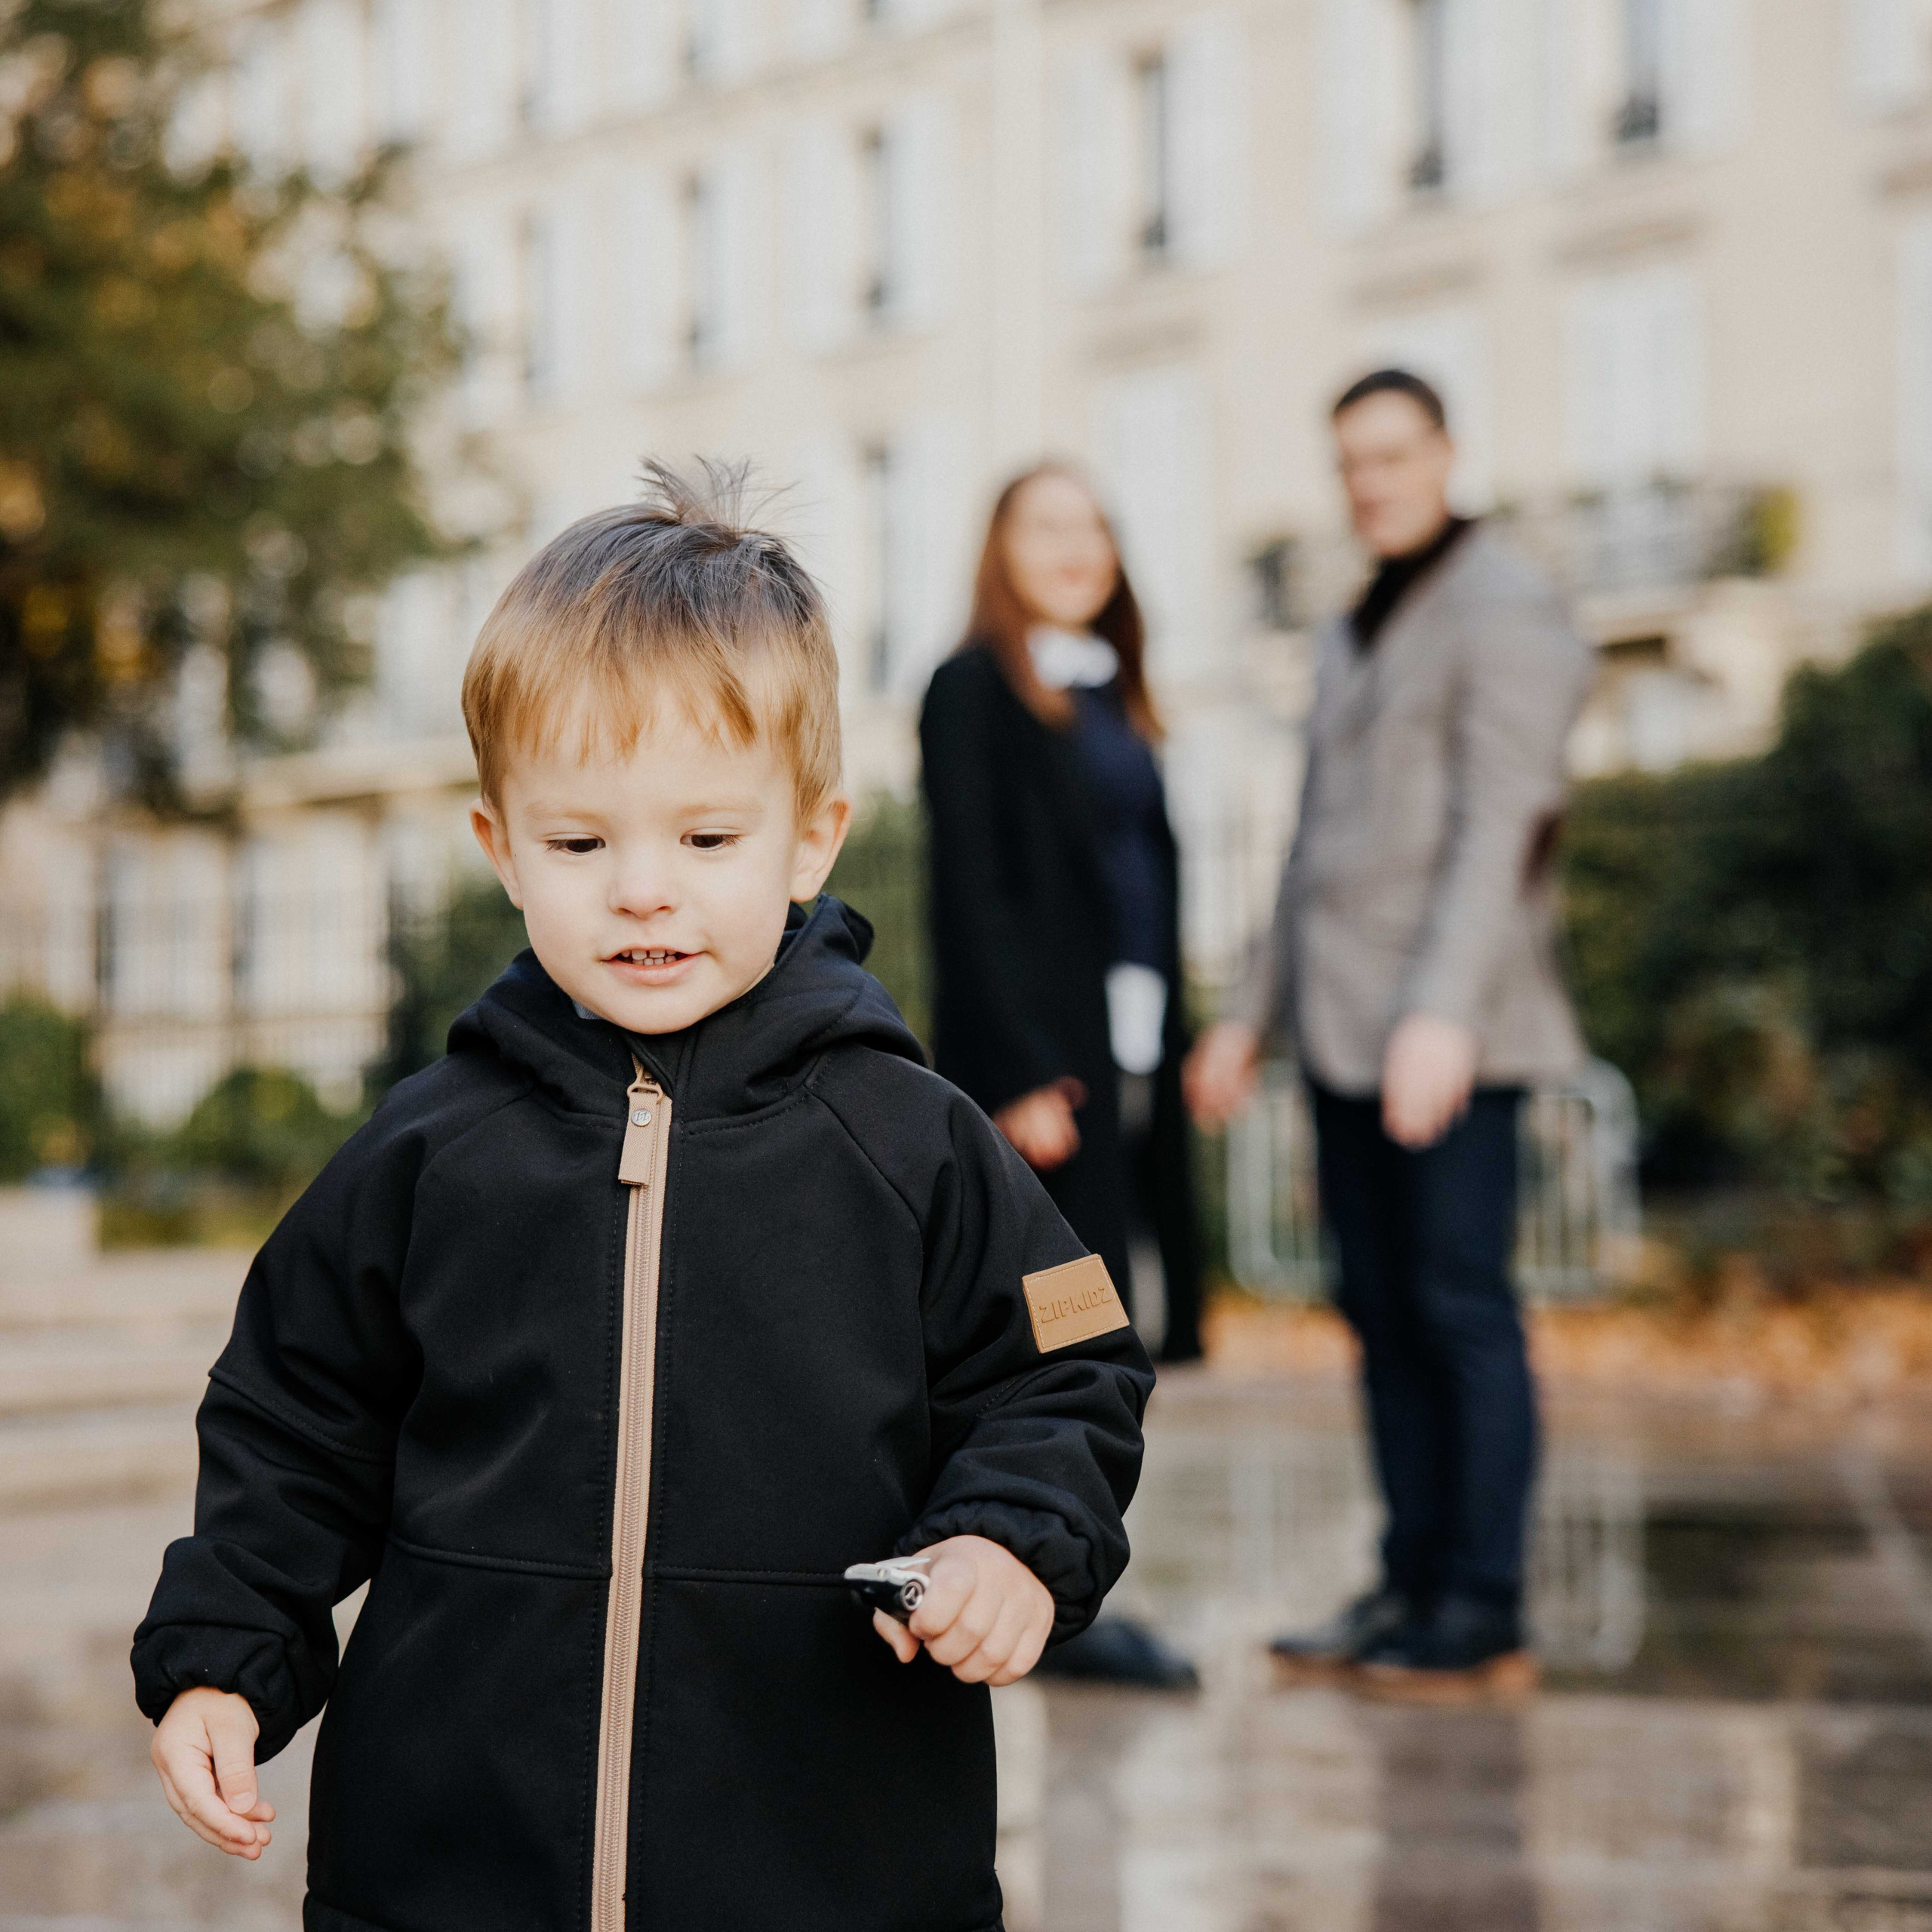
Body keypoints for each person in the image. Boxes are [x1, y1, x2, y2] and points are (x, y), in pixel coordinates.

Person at [131, 463, 1152, 1930]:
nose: (643, 889)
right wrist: (226, 1651)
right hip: (448, 1866)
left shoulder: (908, 1138)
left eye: (706, 837)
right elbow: (292, 1419)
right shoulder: (426, 1154)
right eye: (580, 841)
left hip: (824, 1866)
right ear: (500, 848)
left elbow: (1068, 1358)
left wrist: (1006, 1534)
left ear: (809, 837)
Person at [1188, 371, 1594, 1702]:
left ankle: (1482, 1604)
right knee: (1378, 1310)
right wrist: (1245, 1021)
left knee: (1459, 1308)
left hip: (1450, 1036)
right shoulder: (1352, 619)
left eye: (1395, 456)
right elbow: (1308, 847)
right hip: (1344, 1034)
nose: (1373, 483)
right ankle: (1410, 1577)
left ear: (1446, 455)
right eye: (1351, 462)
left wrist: (1443, 1015)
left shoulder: (1507, 606)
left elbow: (1505, 827)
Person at [918, 463, 1202, 1690]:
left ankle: (1064, 1572)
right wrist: (1018, 1071)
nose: (1075, 546)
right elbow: (970, 893)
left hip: (1132, 1053)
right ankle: (1053, 1588)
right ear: (1001, 550)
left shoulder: (1115, 695)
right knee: (1075, 1326)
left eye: (1094, 523)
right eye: (1046, 526)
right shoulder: (972, 689)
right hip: (1054, 1077)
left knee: (1120, 1312)